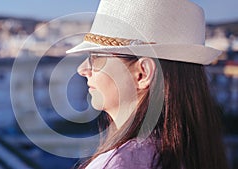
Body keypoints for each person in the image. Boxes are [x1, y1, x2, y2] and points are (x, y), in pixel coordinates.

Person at [66, 0, 229, 168]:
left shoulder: (119, 163)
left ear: (142, 73)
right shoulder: (194, 154)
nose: (82, 69)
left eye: (96, 58)